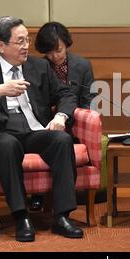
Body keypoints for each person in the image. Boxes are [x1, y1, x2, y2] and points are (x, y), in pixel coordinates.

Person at [0, 16, 84, 242]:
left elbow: (66, 94)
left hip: (35, 129)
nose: (26, 46)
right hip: (3, 131)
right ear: (1, 45)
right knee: (6, 145)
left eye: (27, 40)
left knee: (62, 140)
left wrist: (61, 117)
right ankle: (21, 216)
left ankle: (61, 216)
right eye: (20, 41)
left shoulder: (39, 65)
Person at [28, 21, 96, 212]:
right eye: (49, 52)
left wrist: (76, 119)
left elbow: (87, 99)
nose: (54, 56)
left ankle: (66, 197)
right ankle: (38, 194)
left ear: (66, 43)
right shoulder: (38, 66)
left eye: (58, 50)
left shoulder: (82, 65)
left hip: (73, 122)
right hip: (44, 123)